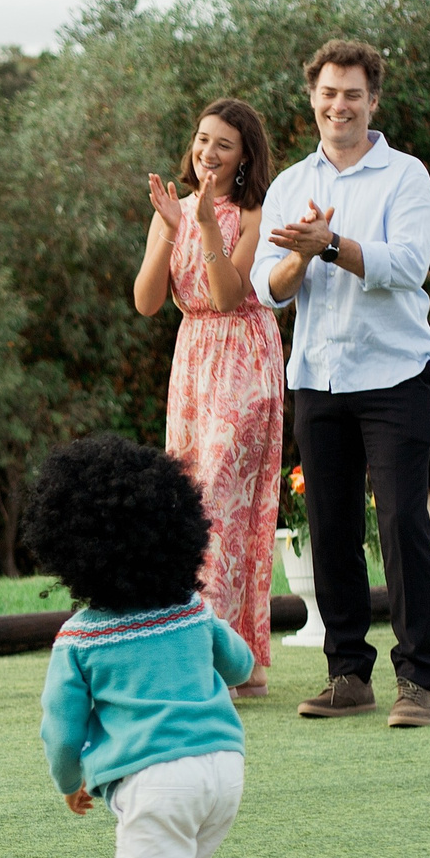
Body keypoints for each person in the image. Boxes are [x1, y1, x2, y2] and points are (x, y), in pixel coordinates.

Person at [22, 434, 291, 858]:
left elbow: (59, 729)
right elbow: (243, 663)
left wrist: (71, 783)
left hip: (156, 781)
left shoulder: (81, 639)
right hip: (225, 770)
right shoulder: (191, 610)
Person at [250, 38, 430, 728]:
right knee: (330, 527)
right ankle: (347, 675)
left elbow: (408, 264)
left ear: (374, 101)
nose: (340, 105)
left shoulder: (405, 177)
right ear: (313, 97)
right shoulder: (291, 184)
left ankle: (417, 680)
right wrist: (300, 261)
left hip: (394, 372)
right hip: (320, 375)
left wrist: (328, 245)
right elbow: (267, 289)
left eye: (353, 94)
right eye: (329, 93)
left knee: (399, 520)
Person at [133, 97, 283, 696]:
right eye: (202, 140)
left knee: (222, 506)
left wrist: (203, 227)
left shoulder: (252, 214)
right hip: (193, 365)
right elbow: (146, 302)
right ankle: (232, 663)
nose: (208, 153)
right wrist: (170, 231)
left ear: (245, 154)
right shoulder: (172, 211)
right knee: (192, 508)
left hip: (244, 360)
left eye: (223, 144)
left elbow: (227, 296)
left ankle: (204, 662)